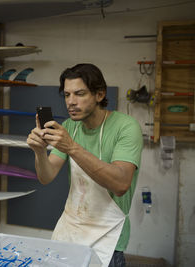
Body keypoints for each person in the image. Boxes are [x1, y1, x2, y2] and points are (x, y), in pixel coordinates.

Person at [27, 63, 143, 267]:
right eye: (66, 95)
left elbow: (121, 184)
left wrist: (72, 148)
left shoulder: (126, 127)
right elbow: (46, 176)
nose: (71, 102)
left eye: (79, 94)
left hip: (107, 235)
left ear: (99, 94)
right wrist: (39, 152)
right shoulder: (70, 127)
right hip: (70, 230)